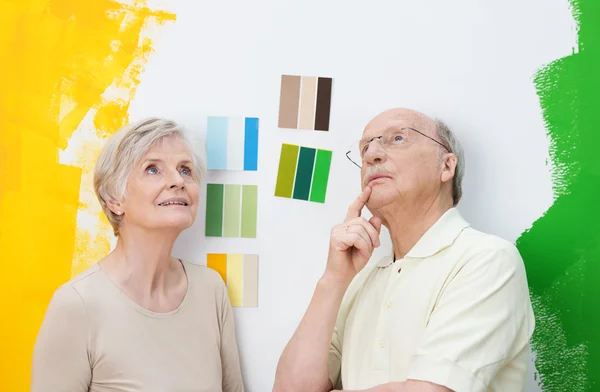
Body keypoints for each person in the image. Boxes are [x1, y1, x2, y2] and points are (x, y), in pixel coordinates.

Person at [273, 108, 535, 392]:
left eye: (397, 138)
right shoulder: (360, 280)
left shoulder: (486, 259)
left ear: (446, 167)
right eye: (365, 149)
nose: (372, 154)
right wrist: (333, 280)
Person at [32, 118, 244, 392]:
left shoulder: (210, 289)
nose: (178, 181)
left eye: (185, 170)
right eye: (153, 169)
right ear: (114, 199)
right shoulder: (77, 304)